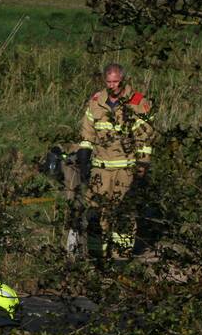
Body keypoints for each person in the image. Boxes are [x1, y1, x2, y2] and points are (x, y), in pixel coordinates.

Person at [62, 64, 154, 258]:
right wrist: (84, 157)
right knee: (96, 214)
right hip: (101, 169)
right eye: (109, 82)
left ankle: (120, 257)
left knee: (123, 215)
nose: (112, 86)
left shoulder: (137, 102)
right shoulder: (96, 101)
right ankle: (98, 256)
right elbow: (87, 133)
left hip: (126, 169)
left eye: (116, 81)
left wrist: (142, 169)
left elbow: (144, 140)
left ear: (123, 80)